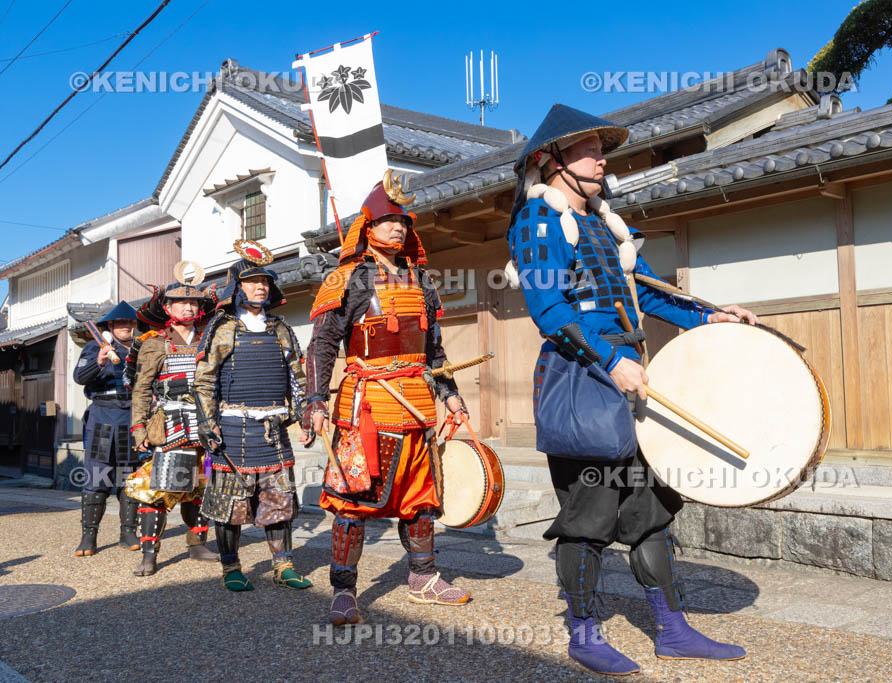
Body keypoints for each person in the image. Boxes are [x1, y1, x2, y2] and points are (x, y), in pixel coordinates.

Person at [507, 104, 758, 675]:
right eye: (588, 151)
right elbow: (549, 311)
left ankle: (672, 629)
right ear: (551, 160)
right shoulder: (538, 220)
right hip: (580, 376)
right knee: (588, 514)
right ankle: (583, 633)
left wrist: (710, 317)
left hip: (630, 375)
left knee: (650, 509)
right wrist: (609, 359)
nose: (601, 160)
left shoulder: (602, 223)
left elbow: (643, 292)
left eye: (602, 151)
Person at [303, 170, 470, 626]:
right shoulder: (347, 279)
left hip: (417, 403)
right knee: (353, 499)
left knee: (421, 497)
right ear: (368, 226)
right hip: (367, 406)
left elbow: (434, 349)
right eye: (387, 220)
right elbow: (321, 345)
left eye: (403, 222)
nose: (397, 228)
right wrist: (314, 401)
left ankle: (424, 578)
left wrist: (450, 394)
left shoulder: (422, 280)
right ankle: (343, 591)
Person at [192, 240, 311, 592]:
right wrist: (207, 424)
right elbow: (204, 380)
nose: (261, 286)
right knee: (228, 504)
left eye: (265, 281)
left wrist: (305, 415)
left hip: (274, 429)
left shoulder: (281, 329)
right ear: (237, 287)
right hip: (231, 427)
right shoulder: (222, 328)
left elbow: (298, 377)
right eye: (253, 281)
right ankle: (231, 567)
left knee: (280, 500)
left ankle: (283, 565)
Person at [125, 263, 220, 576]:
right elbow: (141, 389)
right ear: (167, 308)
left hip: (207, 425)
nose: (189, 307)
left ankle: (197, 544)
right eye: (181, 302)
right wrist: (139, 428)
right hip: (172, 424)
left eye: (194, 302)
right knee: (160, 489)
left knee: (203, 487)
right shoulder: (154, 342)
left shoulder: (210, 340)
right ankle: (149, 554)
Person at [73, 302, 142, 557]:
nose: (126, 327)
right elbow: (79, 377)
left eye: (130, 323)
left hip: (131, 416)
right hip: (102, 415)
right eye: (121, 323)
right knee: (97, 476)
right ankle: (88, 536)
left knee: (129, 476)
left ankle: (128, 532)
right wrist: (99, 361)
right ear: (110, 325)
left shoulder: (141, 348)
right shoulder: (94, 346)